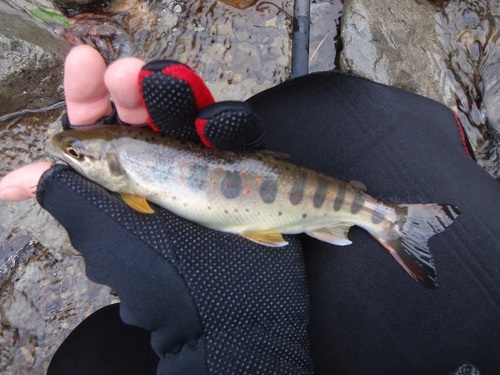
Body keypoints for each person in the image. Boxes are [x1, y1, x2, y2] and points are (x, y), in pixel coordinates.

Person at [0, 45, 499, 374]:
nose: (69, 157)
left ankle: (389, 219)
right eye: (74, 155)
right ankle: (384, 217)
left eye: (76, 155)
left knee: (86, 359)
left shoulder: (126, 181)